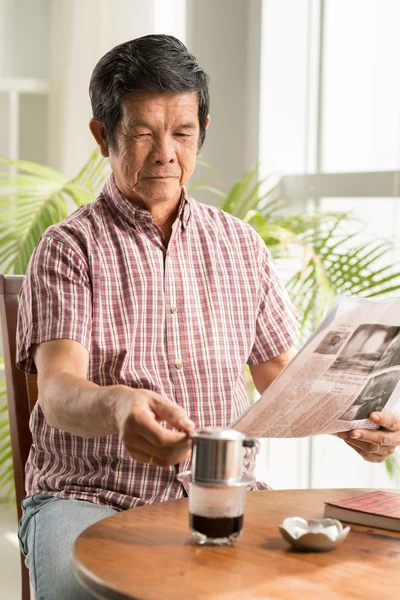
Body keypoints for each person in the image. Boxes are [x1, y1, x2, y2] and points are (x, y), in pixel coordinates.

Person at [15, 35, 400, 599]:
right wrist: (119, 402)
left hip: (224, 492)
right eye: (142, 132)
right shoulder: (68, 247)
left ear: (203, 131)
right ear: (103, 136)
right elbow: (58, 391)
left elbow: (281, 377)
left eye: (183, 132)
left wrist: (353, 421)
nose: (165, 152)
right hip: (88, 496)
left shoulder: (241, 245)